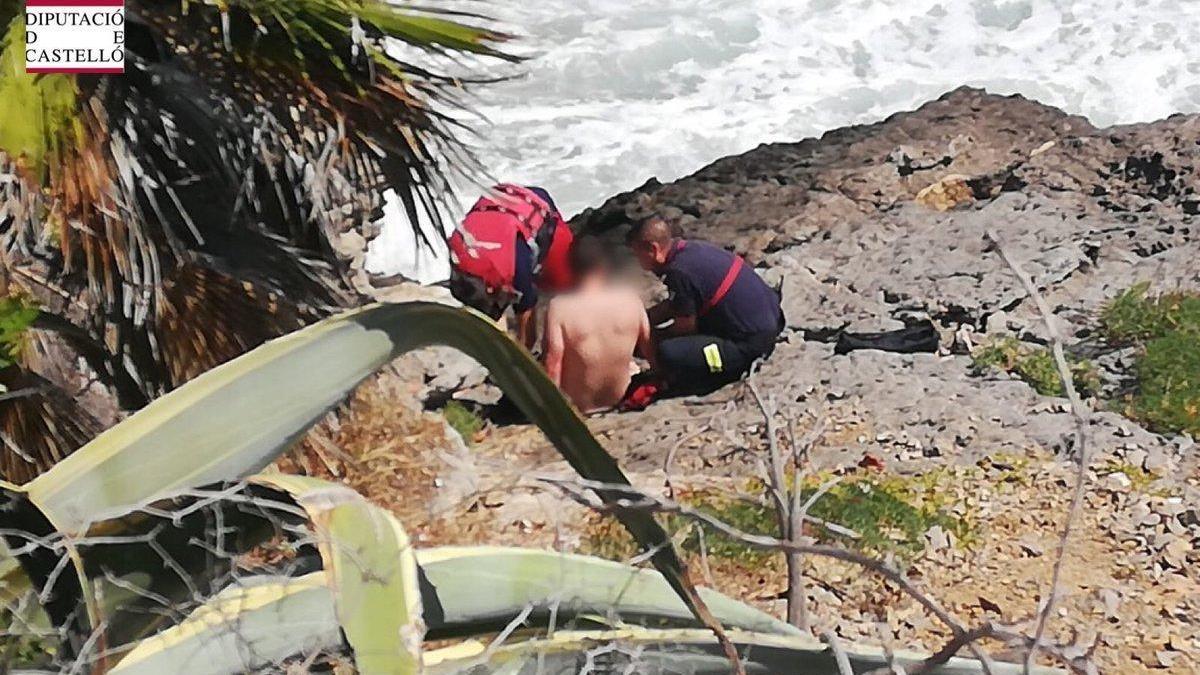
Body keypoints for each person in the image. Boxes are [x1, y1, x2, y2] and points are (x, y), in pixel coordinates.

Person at [624, 216, 784, 407]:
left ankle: (717, 372)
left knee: (667, 353)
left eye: (638, 255)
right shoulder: (692, 250)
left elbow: (685, 328)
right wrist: (643, 319)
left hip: (750, 345)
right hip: (771, 319)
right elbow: (679, 304)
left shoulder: (679, 273)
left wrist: (649, 340)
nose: (639, 262)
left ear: (653, 249)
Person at [447, 184, 574, 348]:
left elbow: (527, 319)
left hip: (537, 206)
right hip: (505, 204)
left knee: (567, 287)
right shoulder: (460, 258)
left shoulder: (517, 268)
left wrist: (522, 351)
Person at [541, 236, 653, 414]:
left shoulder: (559, 307)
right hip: (620, 398)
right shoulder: (630, 298)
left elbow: (553, 364)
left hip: (580, 406)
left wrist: (550, 409)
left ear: (571, 268)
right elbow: (649, 349)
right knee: (632, 366)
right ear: (603, 267)